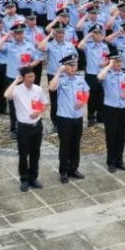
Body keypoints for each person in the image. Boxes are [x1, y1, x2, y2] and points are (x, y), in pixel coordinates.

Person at [5, 66, 47, 192]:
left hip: (37, 125)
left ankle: (33, 178)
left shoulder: (38, 89)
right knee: (23, 154)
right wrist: (15, 81)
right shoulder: (17, 90)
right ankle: (24, 179)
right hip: (23, 127)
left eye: (33, 76)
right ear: (23, 78)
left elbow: (44, 104)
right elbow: (6, 95)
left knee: (35, 154)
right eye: (29, 76)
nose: (32, 78)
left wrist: (38, 111)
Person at [48, 54, 88, 183]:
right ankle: (64, 171)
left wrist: (83, 101)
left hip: (78, 117)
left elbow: (86, 92)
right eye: (70, 65)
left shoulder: (80, 79)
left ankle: (73, 169)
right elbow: (51, 87)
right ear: (65, 66)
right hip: (64, 118)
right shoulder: (60, 78)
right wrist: (59, 72)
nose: (73, 67)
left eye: (74, 65)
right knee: (65, 146)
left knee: (75, 145)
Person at [97, 48, 125, 173]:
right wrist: (109, 65)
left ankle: (119, 160)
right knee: (111, 136)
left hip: (123, 109)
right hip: (110, 109)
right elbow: (99, 77)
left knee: (121, 136)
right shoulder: (106, 74)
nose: (119, 64)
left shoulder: (124, 74)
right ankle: (111, 161)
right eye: (116, 62)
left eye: (120, 62)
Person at [77, 24, 110, 128]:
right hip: (91, 74)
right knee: (90, 97)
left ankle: (100, 115)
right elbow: (79, 46)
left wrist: (106, 63)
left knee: (101, 95)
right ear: (92, 34)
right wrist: (88, 36)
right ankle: (91, 117)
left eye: (100, 33)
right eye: (96, 33)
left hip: (102, 74)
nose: (99, 35)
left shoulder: (104, 46)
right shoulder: (88, 45)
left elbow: (108, 58)